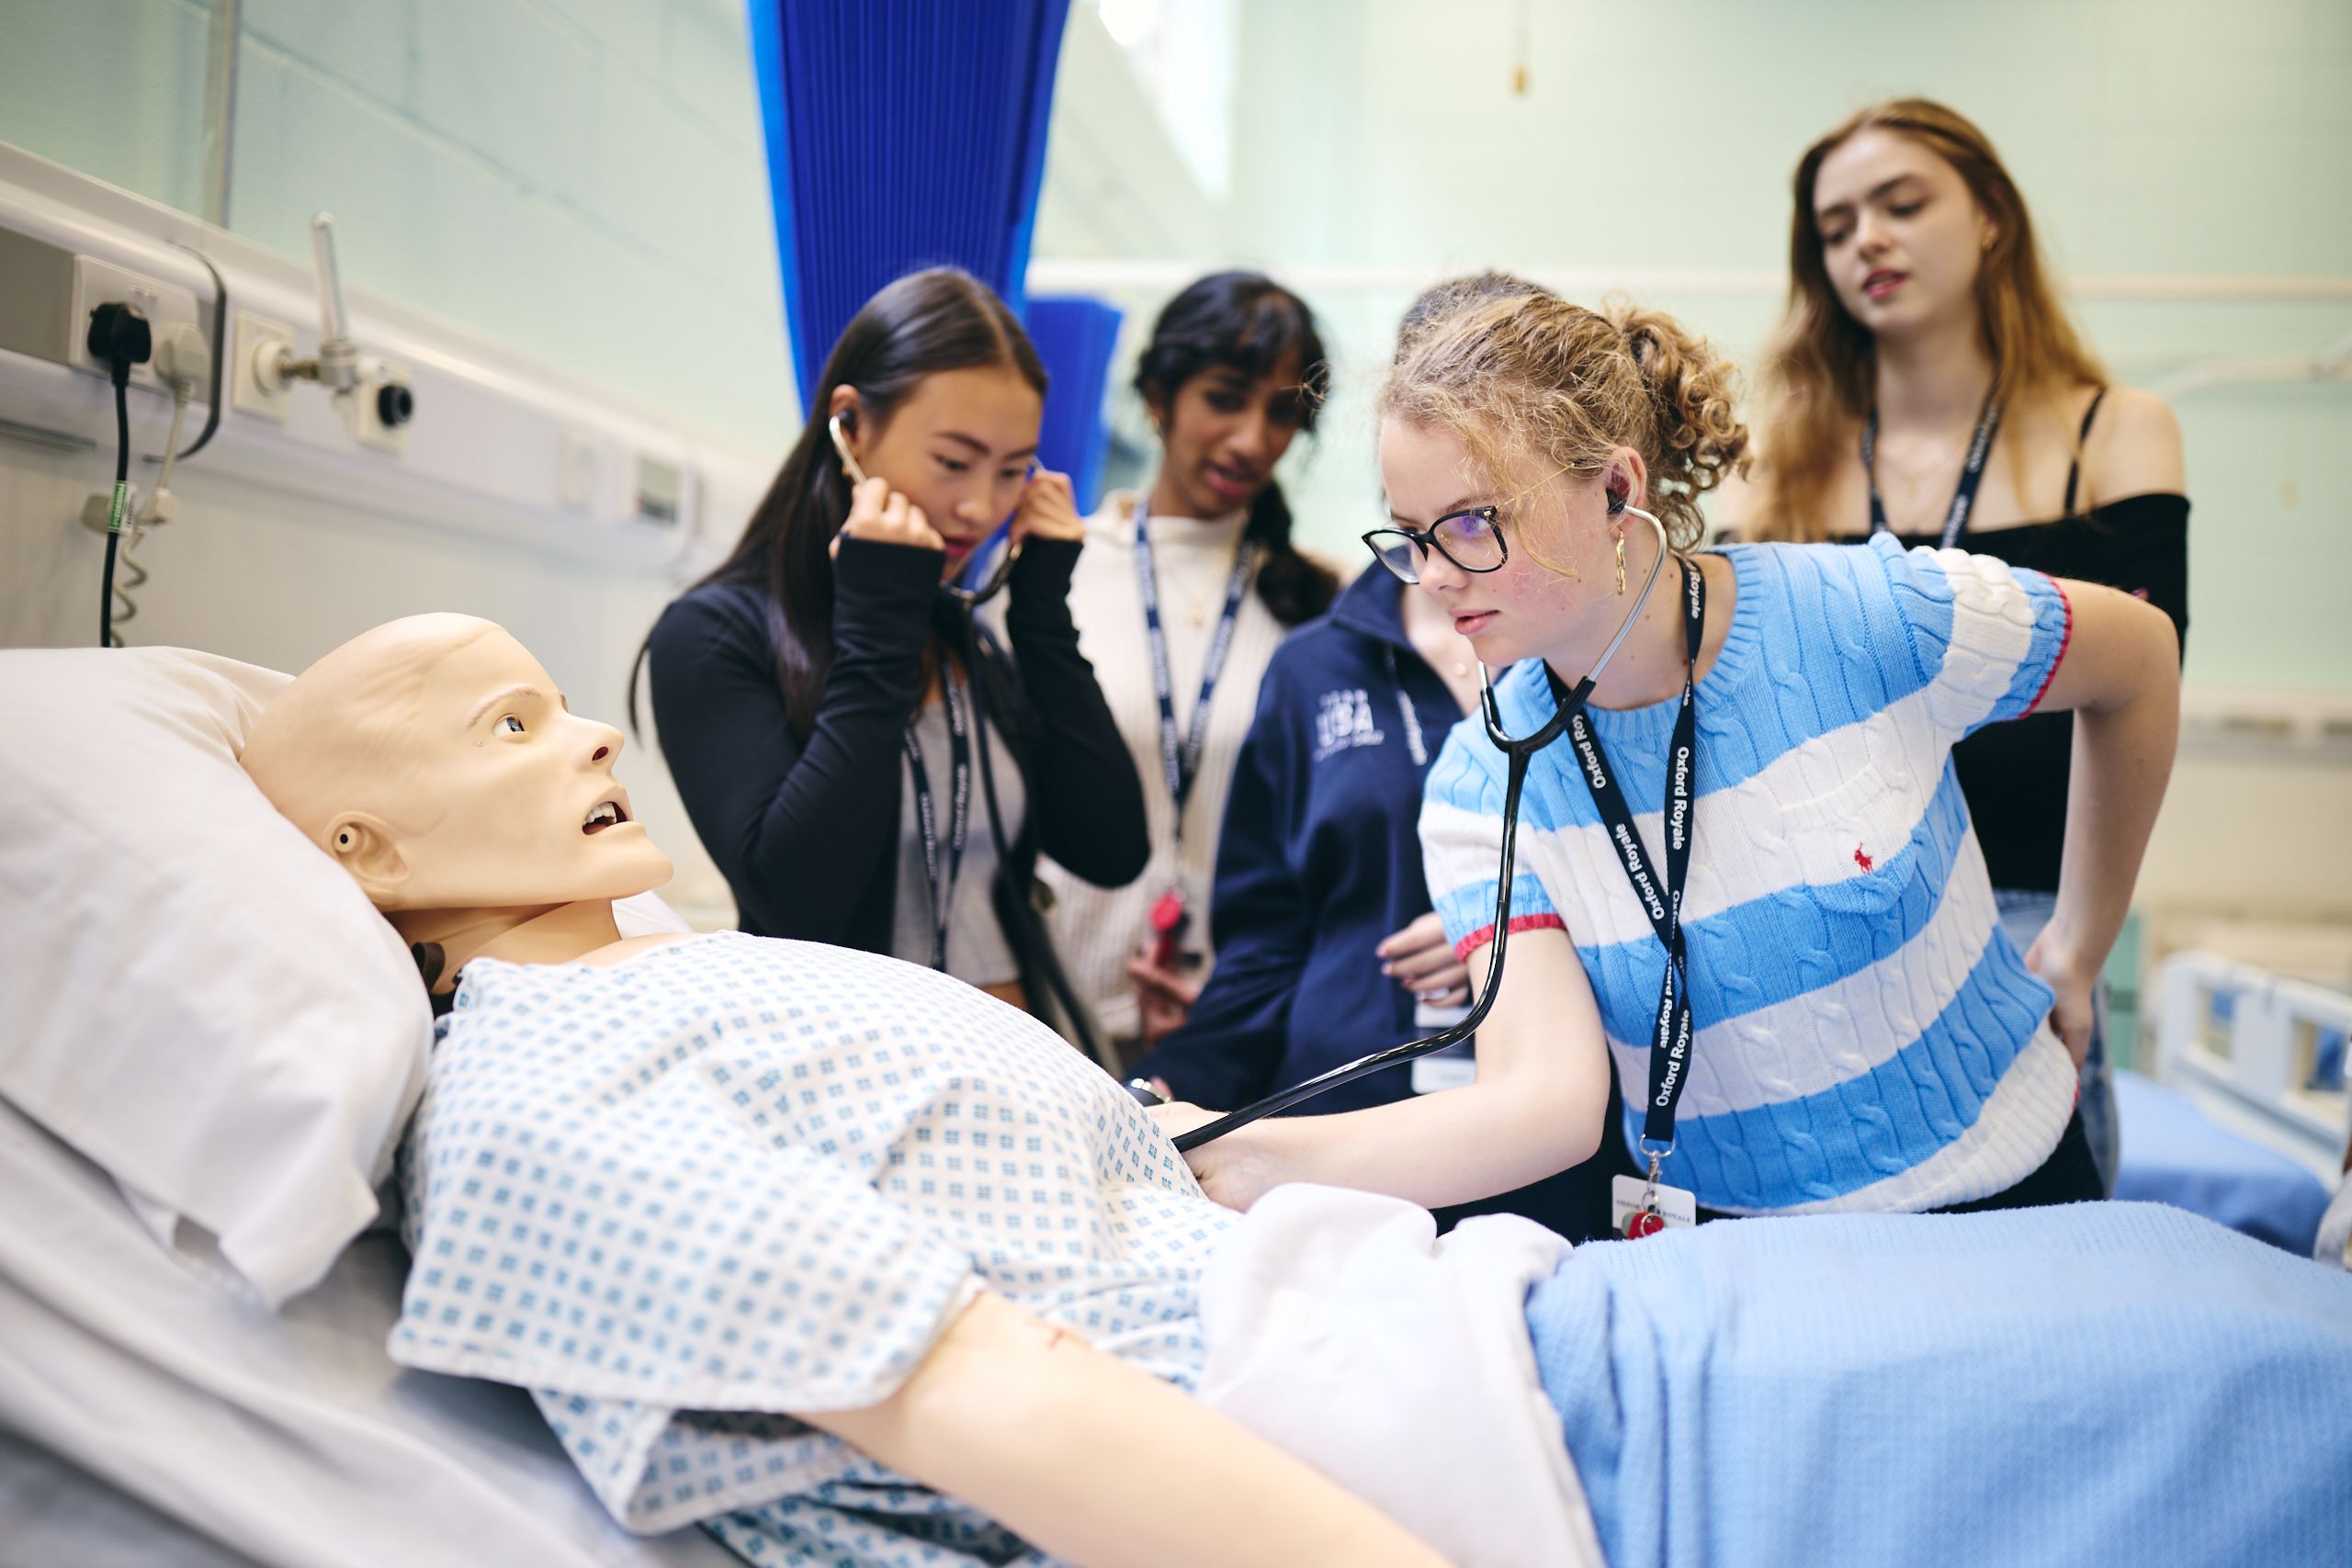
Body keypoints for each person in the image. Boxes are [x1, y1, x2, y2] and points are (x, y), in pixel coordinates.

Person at [236, 612, 2352, 1568]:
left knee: (2193, 1297)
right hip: (1490, 1446)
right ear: (359, 851)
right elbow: (980, 1392)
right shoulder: (531, 1100)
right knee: (2230, 1386)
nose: (582, 736)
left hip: (1490, 1330)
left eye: (552, 700)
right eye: (499, 726)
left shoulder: (671, 986)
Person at [1156, 288, 2184, 1226]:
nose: (1431, 576)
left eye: (1471, 523)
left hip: (2004, 1195)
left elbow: (2139, 659)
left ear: (1616, 487)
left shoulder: (1867, 616)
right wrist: (1251, 1154)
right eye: (1411, 536)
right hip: (1737, 1243)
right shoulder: (1483, 784)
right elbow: (1544, 1102)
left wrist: (2077, 945)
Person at [1721, 99, 2193, 1192]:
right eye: (1835, 227)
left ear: (1989, 218)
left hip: (2027, 937)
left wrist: (2077, 949)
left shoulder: (2113, 434)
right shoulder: (1780, 465)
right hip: (1830, 943)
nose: (1866, 241)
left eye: (1900, 205)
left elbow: (2142, 691)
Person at [1130, 272, 1640, 1242]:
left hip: (1559, 1144)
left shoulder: (1594, 651)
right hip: (1338, 1134)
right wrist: (1164, 1091)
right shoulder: (1313, 664)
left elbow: (1669, 886)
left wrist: (1511, 931)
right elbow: (1265, 945)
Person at [639, 268, 1147, 1061]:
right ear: (852, 424)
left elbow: (1110, 849)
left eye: (1011, 470)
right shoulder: (713, 634)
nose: (980, 508)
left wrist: (1043, 621)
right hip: (858, 1079)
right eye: (953, 461)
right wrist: (876, 634)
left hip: (1031, 1068)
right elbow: (796, 901)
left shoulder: (964, 632)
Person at [1037, 272, 1340, 1064]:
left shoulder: (1320, 603)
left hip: (1236, 1026)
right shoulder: (1055, 571)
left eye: (1282, 413)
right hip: (1049, 1012)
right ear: (1158, 397)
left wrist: (1235, 1002)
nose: (1252, 440)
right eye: (1225, 399)